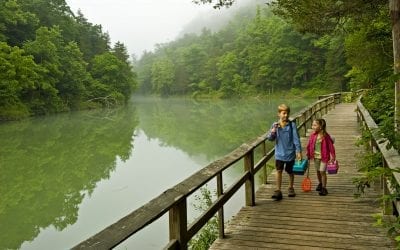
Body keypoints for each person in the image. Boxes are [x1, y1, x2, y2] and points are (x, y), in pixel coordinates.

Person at [266, 104, 302, 201]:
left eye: (287, 113)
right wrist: (273, 131)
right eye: (284, 113)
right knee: (279, 171)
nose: (286, 115)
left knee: (290, 171)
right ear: (279, 114)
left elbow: (296, 139)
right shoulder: (275, 125)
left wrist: (298, 151)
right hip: (279, 154)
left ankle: (291, 187)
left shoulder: (292, 125)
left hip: (290, 153)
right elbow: (270, 138)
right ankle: (278, 190)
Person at [306, 118, 336, 196]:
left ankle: (324, 188)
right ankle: (320, 183)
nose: (313, 127)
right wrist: (308, 154)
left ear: (321, 127)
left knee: (322, 171)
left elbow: (330, 146)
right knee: (318, 171)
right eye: (312, 125)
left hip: (324, 157)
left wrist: (333, 156)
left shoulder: (325, 136)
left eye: (315, 125)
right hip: (315, 157)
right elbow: (309, 146)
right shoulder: (312, 136)